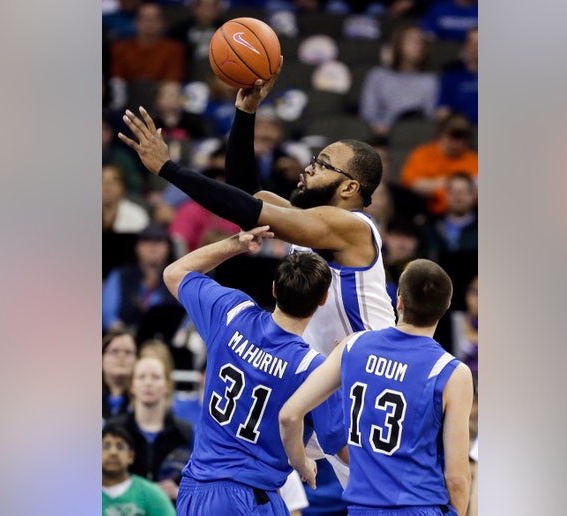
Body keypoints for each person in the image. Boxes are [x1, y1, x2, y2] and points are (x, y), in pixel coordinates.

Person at [118, 70, 396, 359]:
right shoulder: (311, 221)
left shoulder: (353, 226)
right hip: (338, 376)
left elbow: (249, 209)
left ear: (350, 187)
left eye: (323, 165)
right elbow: (247, 192)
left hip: (376, 372)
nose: (309, 168)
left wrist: (168, 169)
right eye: (314, 160)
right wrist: (246, 111)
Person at [160, 225, 347, 515]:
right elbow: (342, 448)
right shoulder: (313, 368)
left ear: (274, 289)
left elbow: (174, 273)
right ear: (322, 301)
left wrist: (235, 244)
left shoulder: (232, 312)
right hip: (252, 495)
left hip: (198, 488)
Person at [279, 259, 473, 516]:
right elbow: (457, 477)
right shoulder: (452, 372)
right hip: (418, 506)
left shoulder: (352, 346)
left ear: (399, 301)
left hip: (362, 508)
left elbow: (289, 414)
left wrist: (300, 462)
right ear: (445, 307)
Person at [105, 350, 194, 502]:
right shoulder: (114, 429)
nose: (148, 382)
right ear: (132, 385)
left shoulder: (185, 432)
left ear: (167, 385)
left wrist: (180, 492)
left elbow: (200, 482)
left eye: (156, 377)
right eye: (141, 377)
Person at [359, 24, 438, 137]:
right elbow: (367, 112)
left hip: (414, 136)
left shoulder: (430, 80)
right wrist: (378, 126)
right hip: (380, 137)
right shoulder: (378, 75)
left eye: (421, 42)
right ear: (398, 44)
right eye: (412, 40)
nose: (418, 45)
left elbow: (430, 118)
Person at [102, 224, 180, 333]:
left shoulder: (177, 278)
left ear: (168, 248)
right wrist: (124, 334)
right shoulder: (120, 275)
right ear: (137, 247)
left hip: (164, 341)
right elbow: (107, 314)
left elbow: (186, 316)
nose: (153, 246)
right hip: (124, 337)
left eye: (159, 241)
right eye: (147, 240)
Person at [399, 114, 477, 217]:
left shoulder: (474, 160)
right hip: (428, 212)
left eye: (462, 138)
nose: (457, 143)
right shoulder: (423, 154)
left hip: (467, 215)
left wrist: (436, 184)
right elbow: (413, 184)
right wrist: (455, 184)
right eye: (453, 137)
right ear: (441, 134)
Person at [103, 423, 177, 516]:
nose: (113, 453)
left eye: (120, 447)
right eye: (106, 446)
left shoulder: (152, 494)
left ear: (131, 456)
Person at [103, 331, 139, 420]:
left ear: (137, 360)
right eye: (115, 351)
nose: (121, 356)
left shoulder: (145, 400)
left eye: (128, 352)